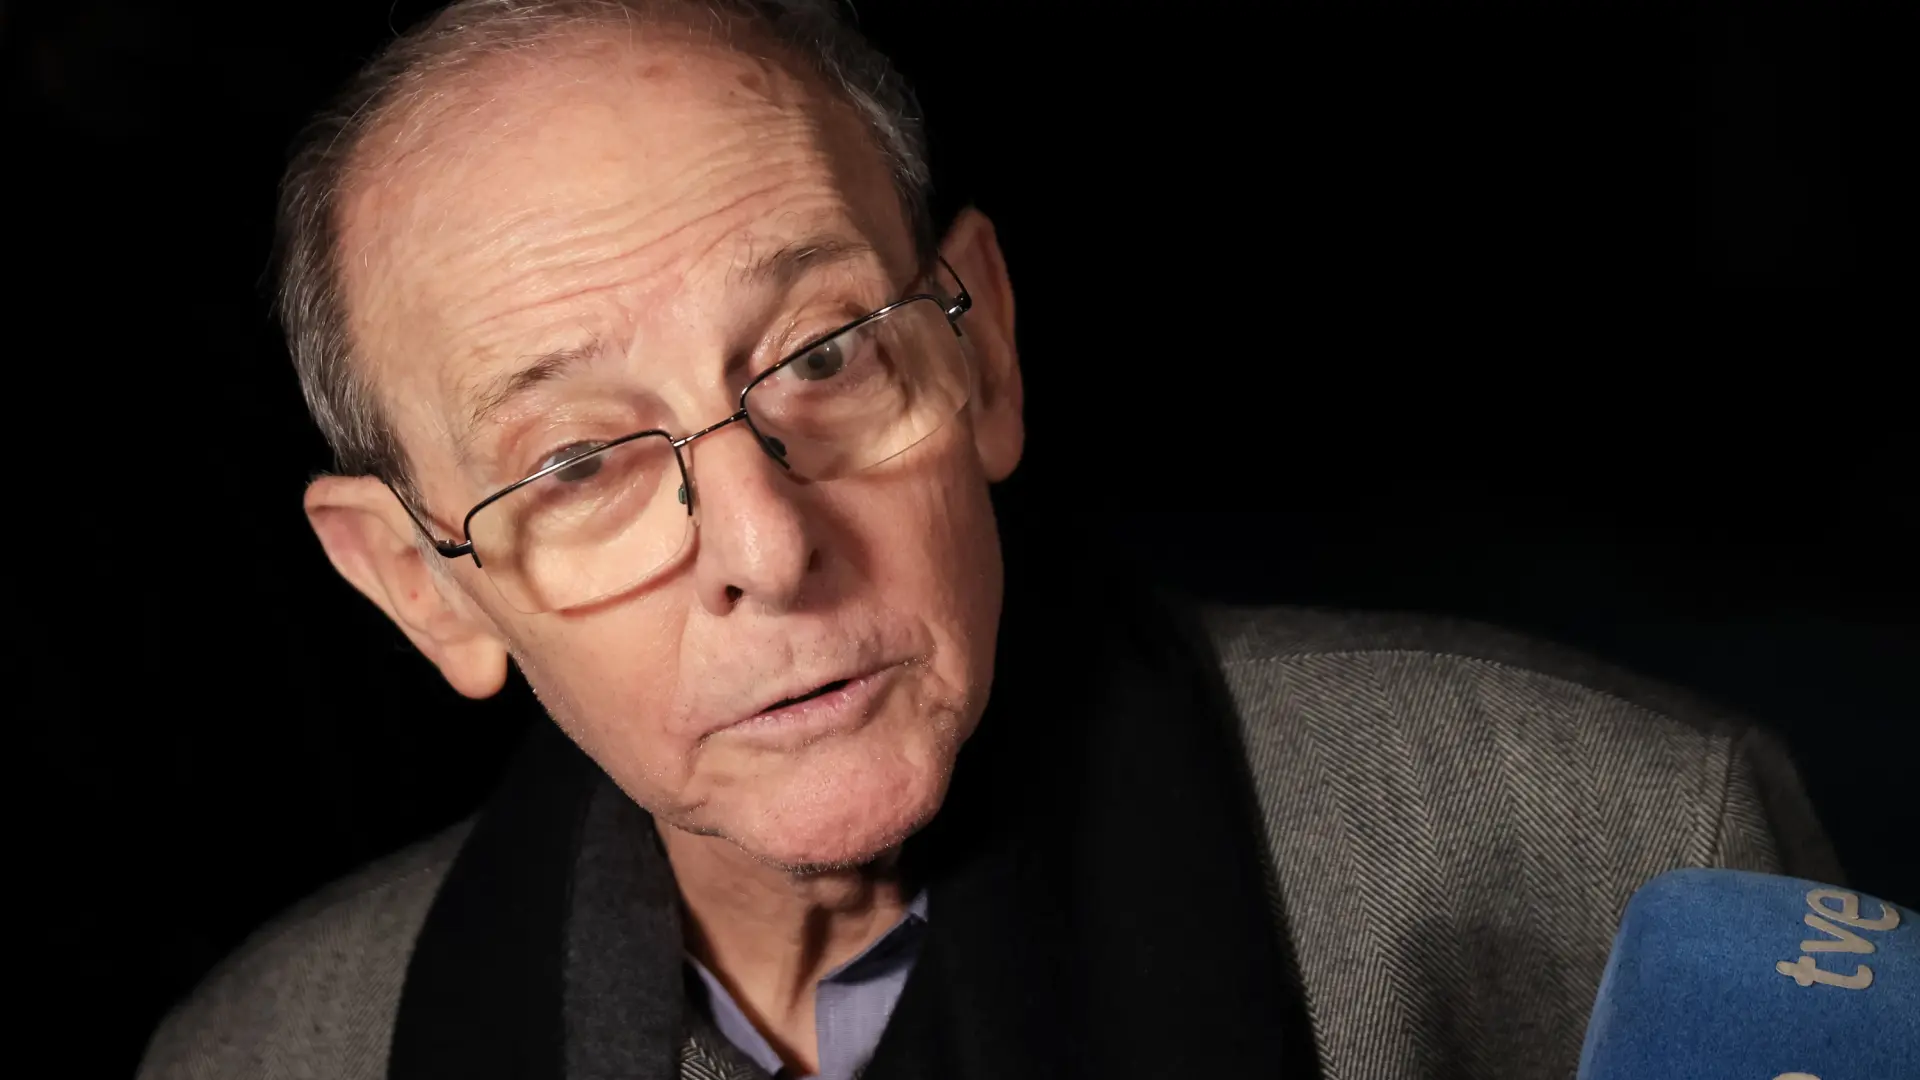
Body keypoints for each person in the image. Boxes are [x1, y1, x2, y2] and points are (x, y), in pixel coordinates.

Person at [138, 2, 1842, 1077]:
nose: (767, 546)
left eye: (824, 356)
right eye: (578, 461)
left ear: (985, 352)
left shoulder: (1610, 846)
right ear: (421, 582)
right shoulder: (267, 1057)